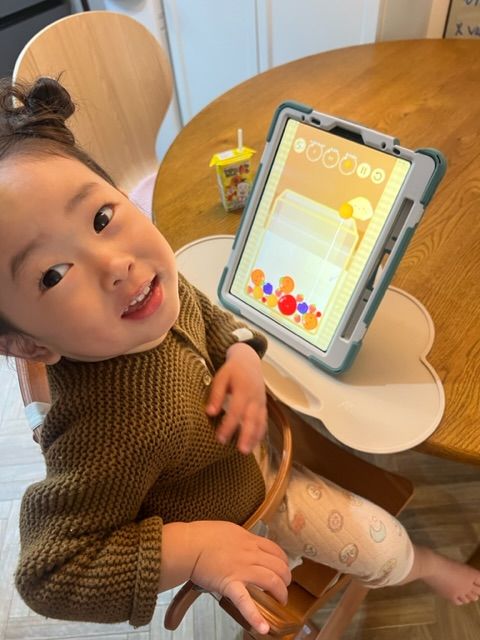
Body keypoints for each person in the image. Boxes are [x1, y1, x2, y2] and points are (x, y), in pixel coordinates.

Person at [0, 77, 478, 635]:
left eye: (101, 218)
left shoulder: (148, 296)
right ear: (29, 345)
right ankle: (428, 566)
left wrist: (242, 355)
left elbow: (208, 314)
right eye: (53, 275)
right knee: (384, 544)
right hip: (249, 507)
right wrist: (192, 549)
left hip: (251, 444)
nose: (116, 265)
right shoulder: (104, 428)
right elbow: (49, 573)